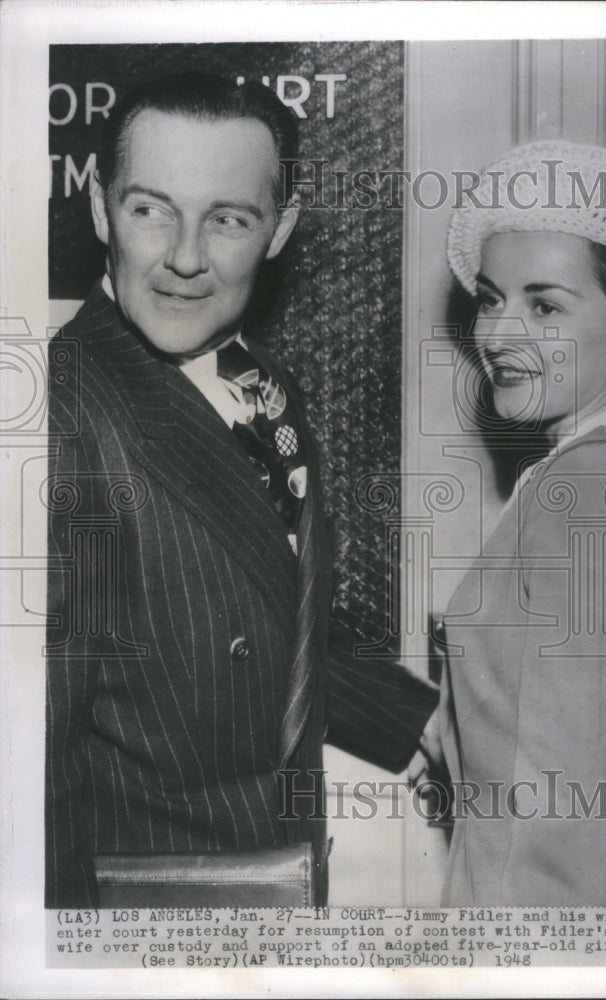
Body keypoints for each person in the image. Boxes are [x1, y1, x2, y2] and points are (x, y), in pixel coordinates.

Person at [45, 71, 438, 909]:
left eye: (227, 219)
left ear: (280, 228)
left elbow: (273, 613)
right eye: (150, 209)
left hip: (270, 880)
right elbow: (34, 750)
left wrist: (421, 720)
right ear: (97, 206)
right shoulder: (56, 420)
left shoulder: (262, 384)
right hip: (142, 902)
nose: (185, 258)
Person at [430, 140, 606, 905]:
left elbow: (573, 826)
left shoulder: (600, 488)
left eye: (545, 305)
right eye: (491, 299)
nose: (497, 335)